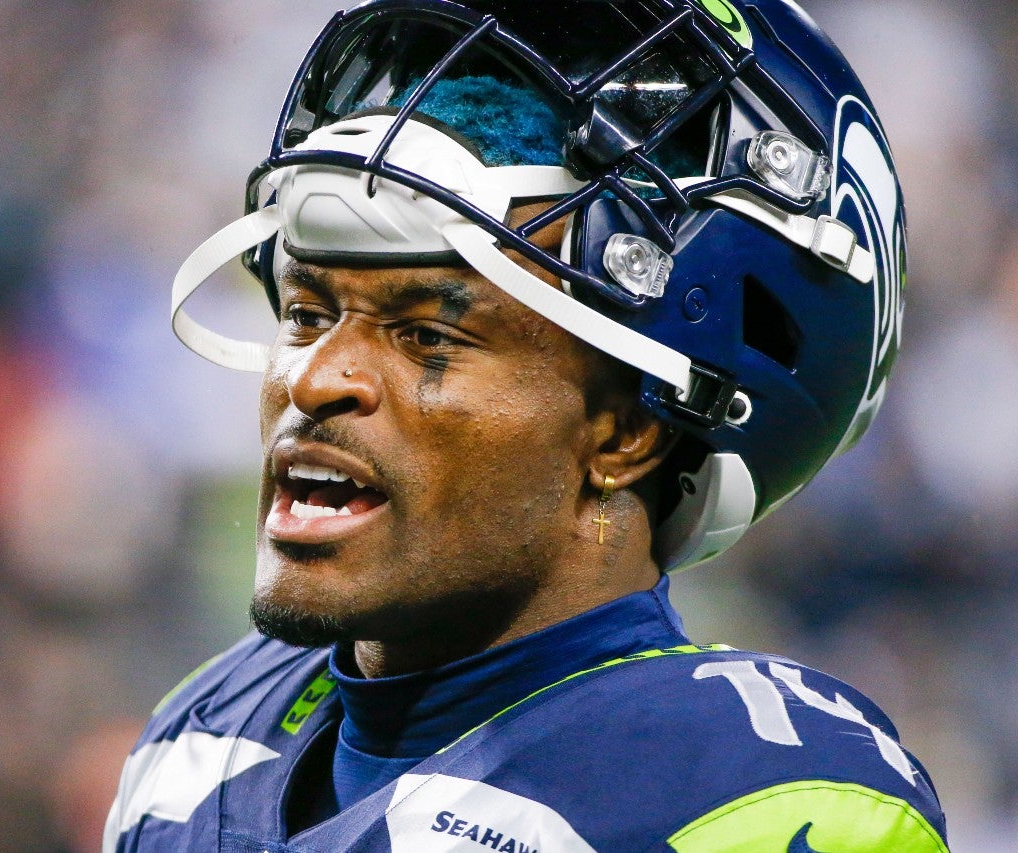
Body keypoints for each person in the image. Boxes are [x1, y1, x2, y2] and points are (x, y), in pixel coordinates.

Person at [106, 0, 948, 849]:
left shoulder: (756, 798)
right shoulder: (202, 737)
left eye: (426, 336)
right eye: (305, 311)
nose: (313, 377)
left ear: (627, 433)